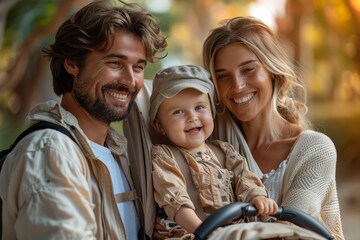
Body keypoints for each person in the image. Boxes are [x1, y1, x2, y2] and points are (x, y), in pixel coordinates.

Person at [0, 1, 167, 239]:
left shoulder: (115, 153)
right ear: (72, 63)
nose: (130, 80)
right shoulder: (52, 151)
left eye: (138, 67)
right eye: (115, 63)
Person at [202, 16, 344, 240]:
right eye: (223, 76)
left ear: (272, 70)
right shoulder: (211, 149)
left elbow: (287, 231)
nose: (237, 86)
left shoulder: (315, 149)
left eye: (248, 70)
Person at [148, 64, 278, 238]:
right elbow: (176, 201)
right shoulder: (164, 156)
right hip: (195, 233)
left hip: (234, 233)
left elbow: (245, 179)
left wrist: (258, 198)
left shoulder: (225, 151)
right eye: (178, 112)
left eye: (199, 107)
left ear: (212, 111)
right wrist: (207, 232)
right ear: (159, 125)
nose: (192, 117)